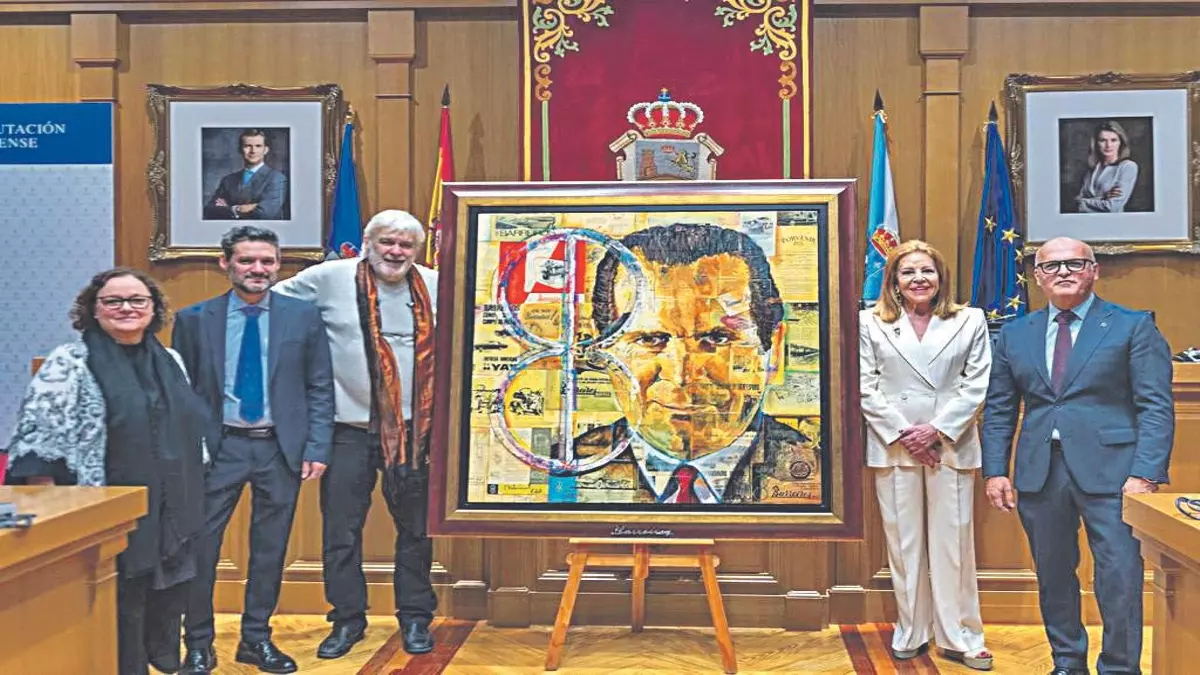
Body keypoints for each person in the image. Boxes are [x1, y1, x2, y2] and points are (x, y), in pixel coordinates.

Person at [982, 236, 1174, 675]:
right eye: (1051, 266)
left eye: (1075, 263)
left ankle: (1119, 667)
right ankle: (1067, 663)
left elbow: (1155, 406)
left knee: (1119, 576)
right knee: (1053, 575)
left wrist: (1146, 472)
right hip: (1039, 473)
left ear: (1094, 270)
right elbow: (999, 408)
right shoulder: (1015, 333)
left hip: (1116, 475)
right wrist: (995, 470)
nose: (1063, 272)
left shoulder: (1132, 326)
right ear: (1038, 277)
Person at [5, 267, 208, 675]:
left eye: (137, 300)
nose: (126, 308)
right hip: (102, 508)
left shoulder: (170, 360)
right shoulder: (70, 362)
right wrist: (50, 505)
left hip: (169, 505)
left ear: (153, 308)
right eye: (113, 301)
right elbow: (39, 437)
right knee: (120, 597)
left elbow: (190, 429)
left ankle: (154, 659)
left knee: (165, 588)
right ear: (93, 310)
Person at [273, 209, 440, 658]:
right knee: (341, 531)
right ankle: (347, 619)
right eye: (387, 242)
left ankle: (416, 618)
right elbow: (269, 304)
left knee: (416, 530)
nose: (396, 252)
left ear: (416, 251)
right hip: (347, 431)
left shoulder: (435, 284)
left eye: (406, 245)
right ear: (368, 242)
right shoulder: (328, 277)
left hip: (415, 434)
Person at [560, 222, 820, 504]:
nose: (681, 375)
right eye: (650, 339)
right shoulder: (561, 473)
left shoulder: (825, 478)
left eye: (718, 338)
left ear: (774, 350)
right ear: (604, 350)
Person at [173, 225, 334, 674]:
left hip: (279, 450)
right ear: (225, 263)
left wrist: (317, 445)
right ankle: (199, 644)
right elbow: (182, 393)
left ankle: (256, 639)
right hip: (217, 449)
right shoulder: (193, 319)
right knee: (201, 549)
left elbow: (320, 385)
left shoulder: (303, 316)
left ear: (278, 264)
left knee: (270, 549)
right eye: (247, 260)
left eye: (267, 261)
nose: (257, 269)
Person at [859, 240, 993, 670]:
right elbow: (865, 386)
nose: (919, 279)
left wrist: (936, 430)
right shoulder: (869, 322)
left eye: (927, 271)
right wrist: (907, 434)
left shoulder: (970, 320)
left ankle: (961, 635)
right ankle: (911, 629)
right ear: (893, 281)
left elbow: (976, 384)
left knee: (954, 543)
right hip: (895, 445)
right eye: (908, 272)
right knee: (904, 542)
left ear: (941, 277)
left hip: (950, 443)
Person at [203, 129, 288, 220]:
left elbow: (265, 214)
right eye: (247, 146)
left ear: (265, 150)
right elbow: (209, 211)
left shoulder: (277, 178)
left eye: (258, 146)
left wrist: (228, 208)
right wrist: (237, 209)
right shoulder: (228, 180)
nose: (253, 151)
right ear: (240, 149)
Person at [1075, 121, 1138, 213]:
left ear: (1121, 142)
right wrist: (1103, 198)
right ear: (1096, 143)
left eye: (1113, 140)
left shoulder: (1127, 167)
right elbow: (1077, 199)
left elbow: (1112, 207)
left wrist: (1081, 203)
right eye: (1103, 140)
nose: (1108, 145)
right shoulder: (1093, 168)